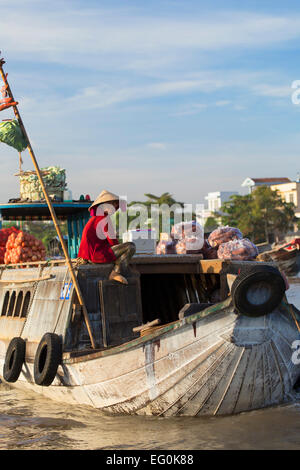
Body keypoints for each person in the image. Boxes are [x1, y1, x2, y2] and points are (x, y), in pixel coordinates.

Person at [77, 190, 135, 284]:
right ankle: (116, 272)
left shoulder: (98, 218)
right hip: (95, 255)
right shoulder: (103, 218)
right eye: (112, 204)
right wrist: (121, 251)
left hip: (91, 255)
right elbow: (113, 242)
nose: (115, 207)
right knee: (130, 247)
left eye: (115, 204)